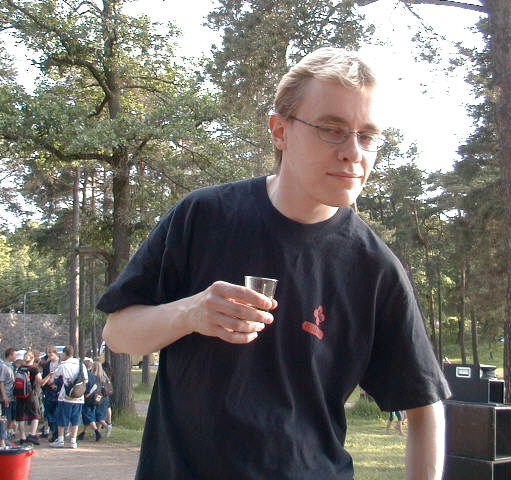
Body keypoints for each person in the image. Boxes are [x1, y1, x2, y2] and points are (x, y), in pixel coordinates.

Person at [98, 47, 450, 479]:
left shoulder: (374, 266)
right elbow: (118, 334)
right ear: (280, 131)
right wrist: (191, 313)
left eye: (367, 136)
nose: (353, 152)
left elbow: (424, 406)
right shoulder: (204, 216)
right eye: (331, 129)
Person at [49, 346, 88, 449]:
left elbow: (55, 375)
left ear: (65, 354)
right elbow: (86, 379)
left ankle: (61, 440)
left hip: (66, 395)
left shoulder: (64, 365)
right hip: (79, 396)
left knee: (62, 418)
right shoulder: (81, 364)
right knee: (75, 419)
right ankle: (73, 441)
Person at [15, 351, 42, 445]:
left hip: (20, 394)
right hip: (31, 394)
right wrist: (49, 376)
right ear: (33, 358)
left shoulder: (20, 368)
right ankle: (32, 435)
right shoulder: (34, 369)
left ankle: (22, 437)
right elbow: (41, 382)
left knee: (21, 416)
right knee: (35, 414)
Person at [77, 358, 102, 442]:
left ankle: (97, 432)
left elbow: (86, 387)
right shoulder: (95, 376)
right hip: (95, 398)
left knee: (88, 415)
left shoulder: (85, 375)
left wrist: (86, 394)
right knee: (90, 415)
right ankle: (83, 433)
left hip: (87, 398)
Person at [40, 346, 61, 442]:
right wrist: (48, 384)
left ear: (55, 353)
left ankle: (56, 433)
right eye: (48, 353)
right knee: (49, 412)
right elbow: (44, 377)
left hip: (59, 391)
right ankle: (53, 429)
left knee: (57, 412)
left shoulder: (61, 363)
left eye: (51, 353)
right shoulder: (47, 365)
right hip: (49, 391)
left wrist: (56, 384)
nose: (49, 355)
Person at [0, 348, 16, 438]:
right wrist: (4, 396)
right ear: (10, 355)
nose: (16, 357)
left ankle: (10, 431)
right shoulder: (3, 366)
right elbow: (1, 381)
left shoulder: (11, 366)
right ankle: (4, 433)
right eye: (14, 355)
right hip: (6, 394)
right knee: (6, 415)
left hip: (13, 395)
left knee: (12, 415)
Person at [92, 361, 112, 437]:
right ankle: (98, 431)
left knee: (98, 416)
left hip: (99, 397)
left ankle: (107, 427)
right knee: (100, 414)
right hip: (105, 397)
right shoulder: (104, 375)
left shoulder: (95, 376)